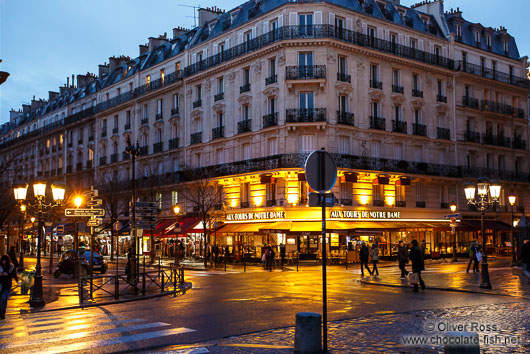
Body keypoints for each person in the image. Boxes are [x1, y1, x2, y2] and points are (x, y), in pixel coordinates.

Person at [0, 254, 18, 319]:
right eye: (2, 260)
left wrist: (17, 281)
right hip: (0, 284)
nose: (3, 262)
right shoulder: (0, 267)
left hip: (7, 285)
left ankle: (2, 312)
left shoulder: (11, 267)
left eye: (5, 260)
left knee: (4, 298)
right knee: (1, 299)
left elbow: (14, 275)